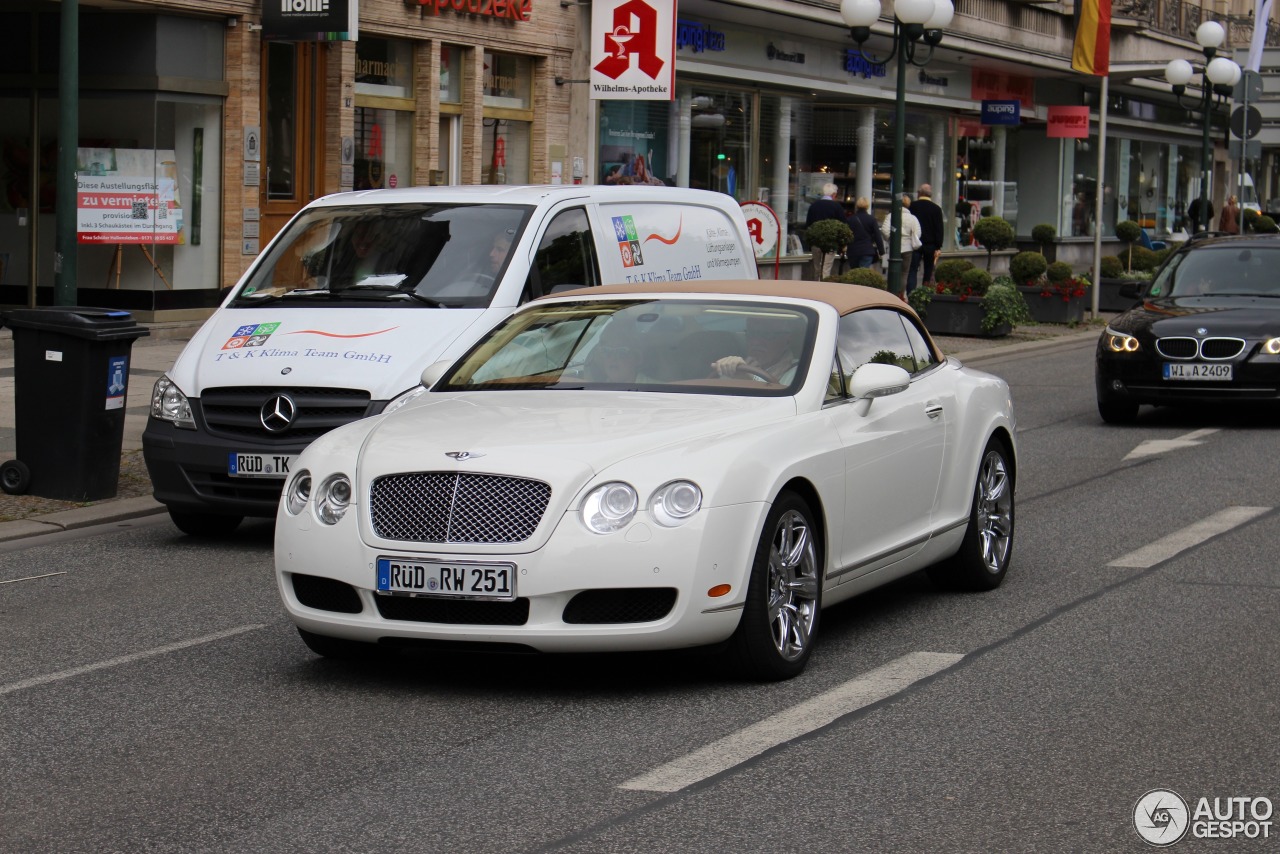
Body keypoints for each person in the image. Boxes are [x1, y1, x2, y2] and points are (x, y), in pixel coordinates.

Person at [711, 315, 801, 384]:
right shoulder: (737, 366)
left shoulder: (799, 372)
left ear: (787, 341)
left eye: (767, 335)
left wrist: (749, 380)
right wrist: (729, 371)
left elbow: (786, 405)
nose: (755, 342)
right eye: (751, 333)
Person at [805, 182, 847, 280]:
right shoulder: (837, 207)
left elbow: (808, 224)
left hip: (815, 242)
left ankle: (816, 286)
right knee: (826, 268)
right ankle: (823, 288)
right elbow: (843, 226)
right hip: (830, 243)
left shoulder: (814, 206)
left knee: (817, 268)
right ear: (834, 195)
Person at [882, 194, 924, 294]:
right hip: (908, 248)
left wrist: (891, 238)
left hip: (894, 248)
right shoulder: (913, 218)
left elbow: (884, 230)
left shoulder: (891, 216)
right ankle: (901, 294)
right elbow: (918, 233)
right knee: (904, 273)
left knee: (892, 272)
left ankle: (892, 292)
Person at [913, 184, 945, 288]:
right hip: (930, 245)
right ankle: (925, 291)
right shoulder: (936, 209)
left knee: (912, 270)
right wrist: (938, 246)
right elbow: (939, 229)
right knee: (928, 270)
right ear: (930, 194)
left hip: (914, 243)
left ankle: (910, 292)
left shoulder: (913, 206)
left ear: (919, 193)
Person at [845, 197, 884, 269]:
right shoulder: (871, 219)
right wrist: (881, 250)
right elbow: (877, 236)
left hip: (853, 251)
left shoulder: (850, 219)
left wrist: (841, 248)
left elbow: (845, 235)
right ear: (867, 206)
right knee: (863, 273)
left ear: (857, 206)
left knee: (854, 273)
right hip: (867, 250)